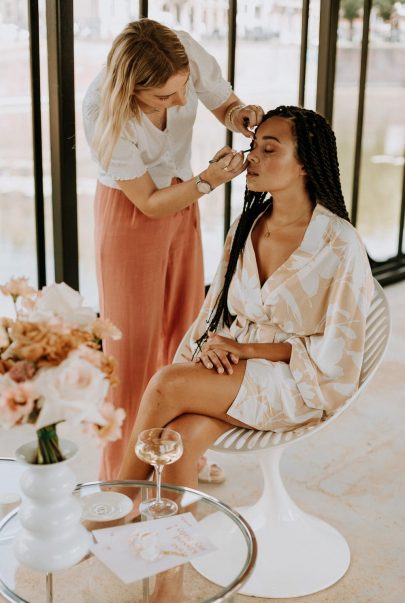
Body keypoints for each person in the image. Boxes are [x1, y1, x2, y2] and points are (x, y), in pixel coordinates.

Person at [118, 105, 375, 493]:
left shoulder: (339, 244)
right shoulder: (247, 226)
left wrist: (246, 349)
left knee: (166, 384)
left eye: (269, 150)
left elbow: (338, 354)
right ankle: (173, 551)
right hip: (237, 368)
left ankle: (118, 499)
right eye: (254, 145)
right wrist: (210, 349)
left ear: (305, 164)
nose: (252, 156)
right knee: (178, 444)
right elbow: (215, 311)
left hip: (296, 381)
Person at [82, 18, 264, 480]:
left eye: (181, 88)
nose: (181, 101)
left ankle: (179, 454)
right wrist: (210, 180)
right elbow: (146, 201)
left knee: (186, 329)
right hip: (131, 214)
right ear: (131, 90)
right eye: (164, 97)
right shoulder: (103, 109)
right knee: (132, 347)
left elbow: (223, 103)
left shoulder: (178, 52)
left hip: (183, 200)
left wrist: (237, 114)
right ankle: (121, 473)